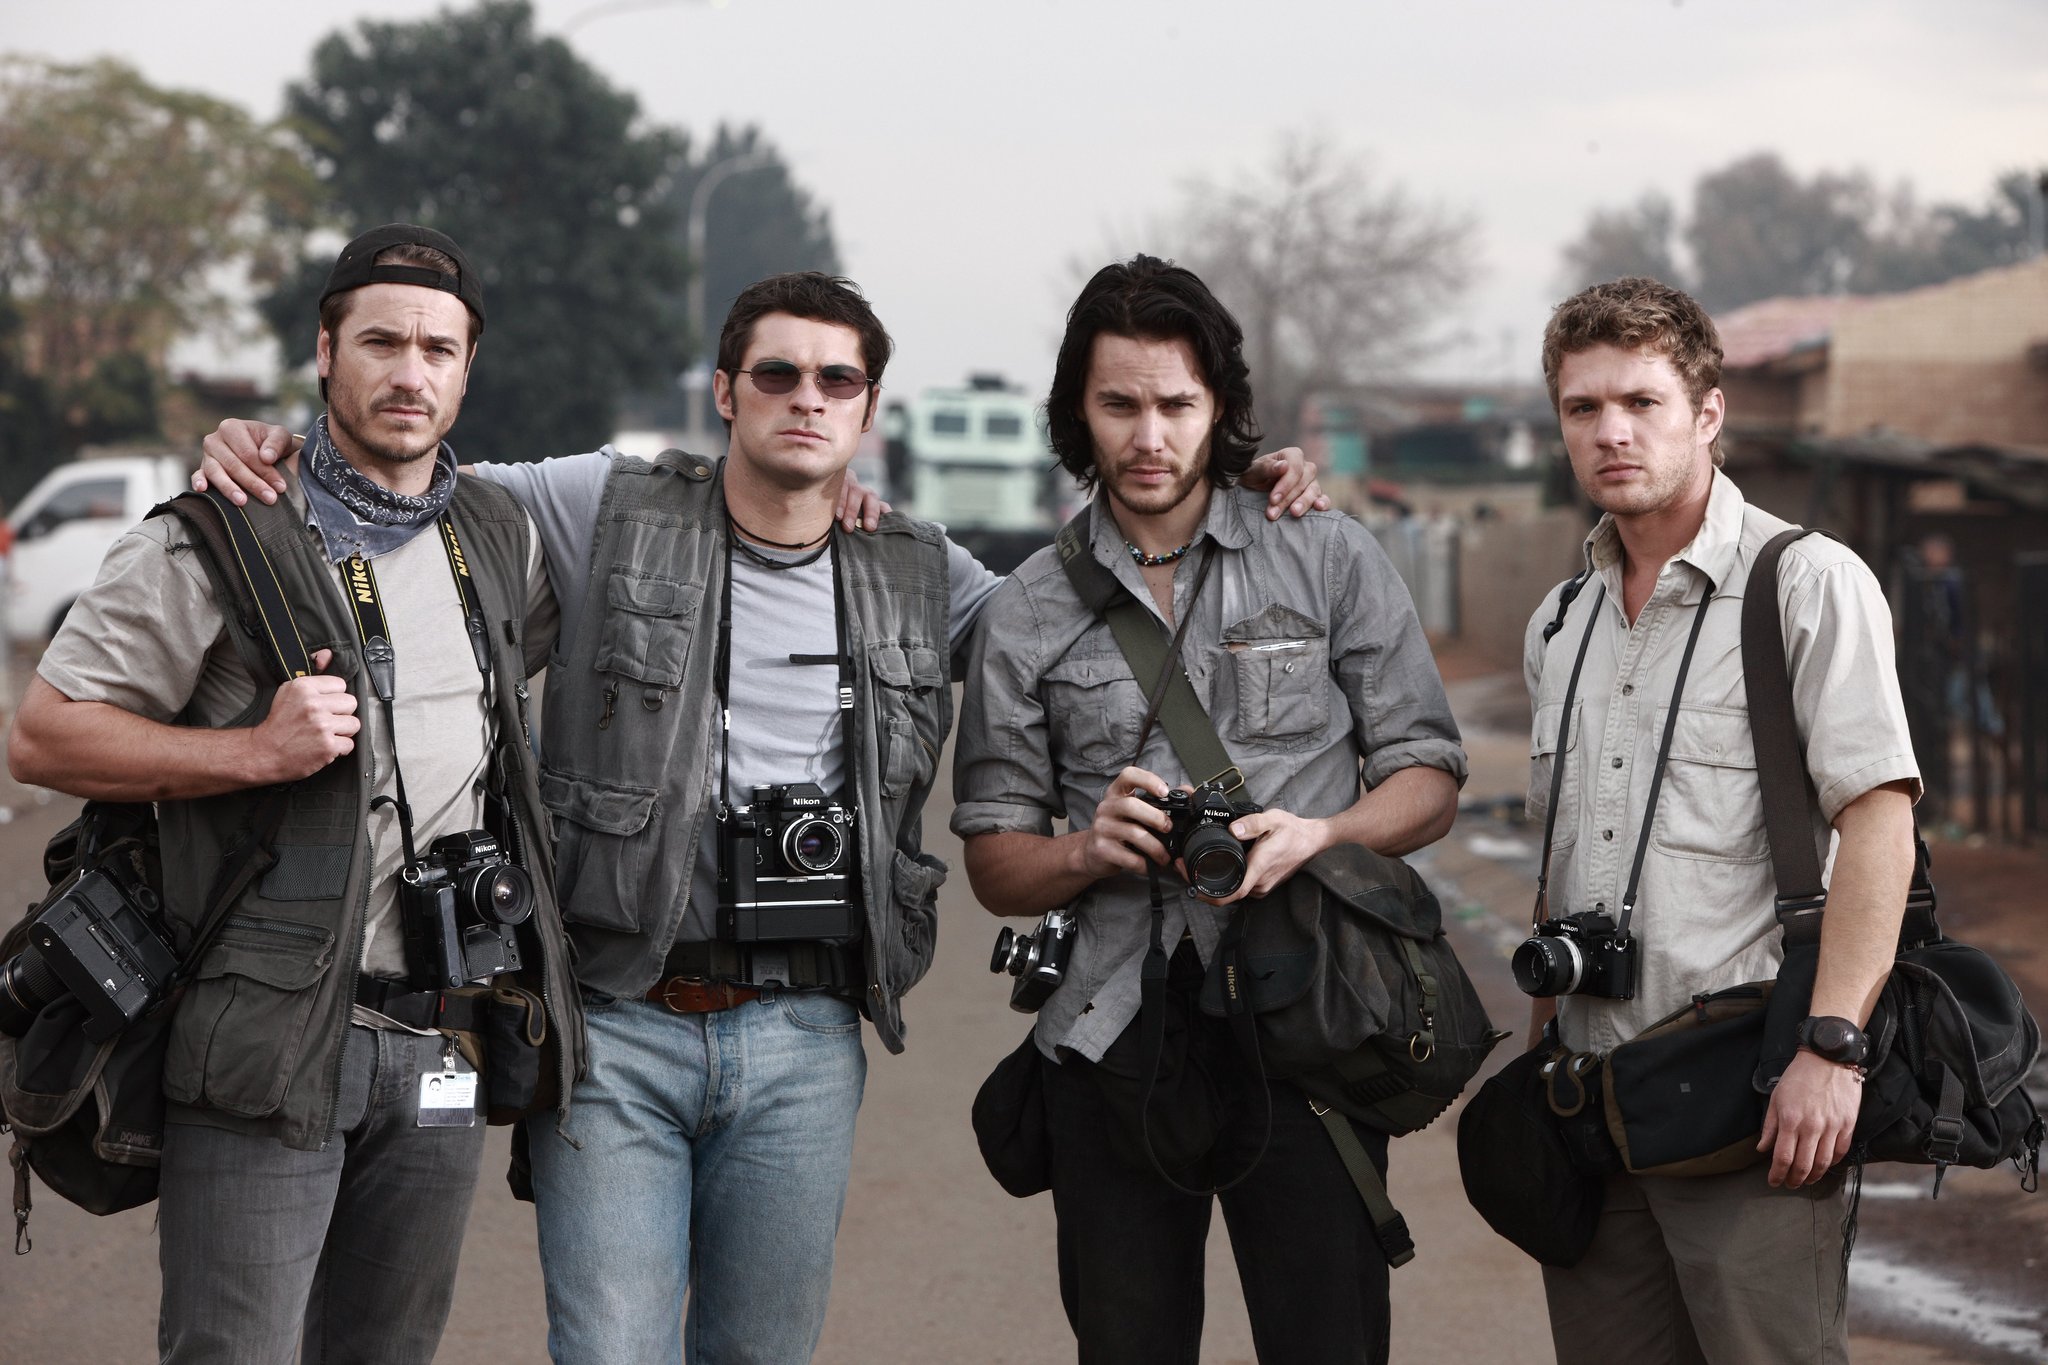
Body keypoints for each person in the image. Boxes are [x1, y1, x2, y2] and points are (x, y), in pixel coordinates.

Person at [197, 268, 1328, 1364]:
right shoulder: (604, 502)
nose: (807, 399)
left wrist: (1241, 490)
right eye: (778, 374)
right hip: (614, 1020)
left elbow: (1110, 623)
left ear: (869, 411)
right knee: (609, 1348)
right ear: (726, 391)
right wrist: (279, 443)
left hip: (804, 1036)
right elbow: (411, 479)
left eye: (837, 383)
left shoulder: (923, 572)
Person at [7, 224, 580, 1363]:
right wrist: (249, 755)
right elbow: (43, 735)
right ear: (325, 352)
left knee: (389, 1352)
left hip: (443, 1043)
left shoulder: (501, 541)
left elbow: (722, 507)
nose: (408, 372)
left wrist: (850, 507)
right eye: (379, 341)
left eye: (436, 348)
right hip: (264, 1040)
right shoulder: (213, 537)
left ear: (470, 369)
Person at [951, 255, 1465, 1364]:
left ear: (1220, 408)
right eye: (1118, 403)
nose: (1148, 436)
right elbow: (994, 862)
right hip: (1111, 1030)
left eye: (1177, 404)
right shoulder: (1027, 608)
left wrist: (1320, 833)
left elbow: (1427, 779)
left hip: (1310, 1026)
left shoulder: (1322, 551)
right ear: (1075, 413)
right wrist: (1088, 848)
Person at [1523, 276, 1920, 1363]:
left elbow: (1878, 827)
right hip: (1590, 1104)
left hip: (1750, 1102)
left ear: (1705, 414)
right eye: (1582, 408)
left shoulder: (1803, 585)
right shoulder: (1559, 620)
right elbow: (1558, 863)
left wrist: (1830, 1052)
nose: (1610, 432)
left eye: (1640, 403)